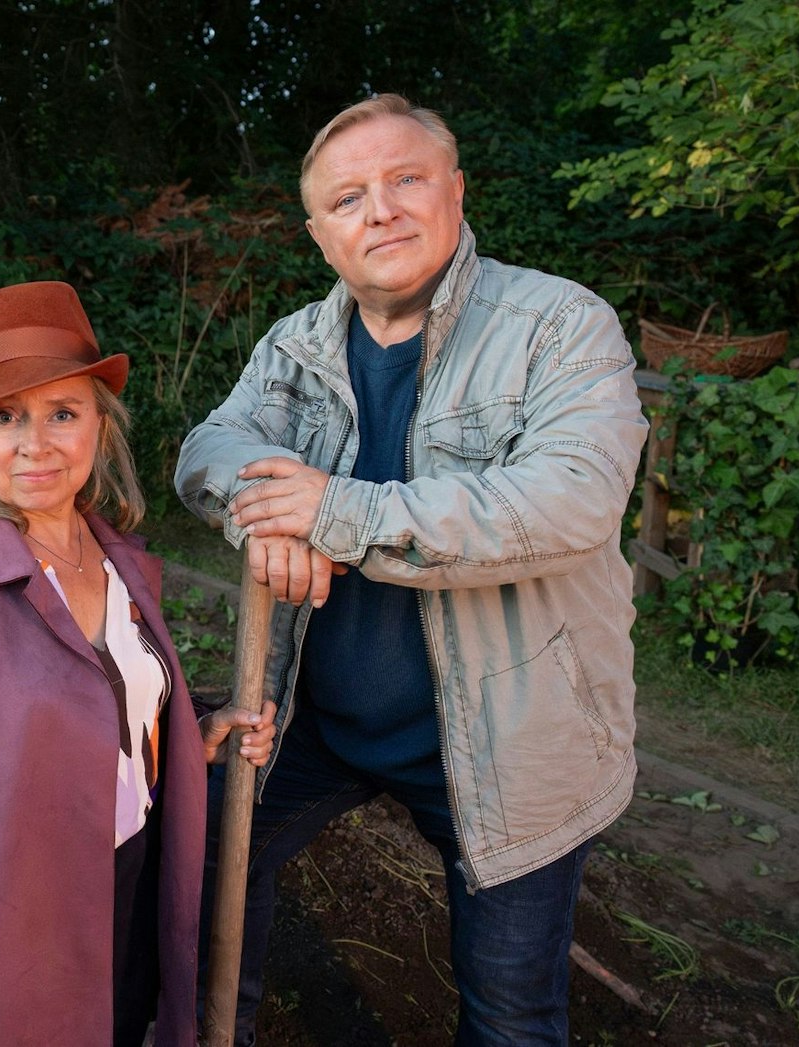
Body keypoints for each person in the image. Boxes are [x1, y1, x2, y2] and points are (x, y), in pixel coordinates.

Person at [176, 94, 648, 1045]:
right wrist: (265, 516)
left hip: (510, 746)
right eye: (348, 198)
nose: (379, 210)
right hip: (317, 718)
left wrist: (334, 511)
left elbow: (568, 501)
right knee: (197, 886)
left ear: (456, 191)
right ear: (320, 235)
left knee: (512, 1013)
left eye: (405, 180)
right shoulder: (297, 344)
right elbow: (209, 448)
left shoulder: (557, 325)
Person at [0, 280, 278, 1046]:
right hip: (22, 907)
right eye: (4, 416)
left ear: (100, 430)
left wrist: (189, 733)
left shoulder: (122, 564)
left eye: (62, 413)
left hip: (132, 879)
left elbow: (103, 698)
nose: (34, 443)